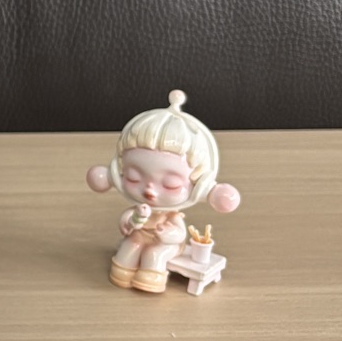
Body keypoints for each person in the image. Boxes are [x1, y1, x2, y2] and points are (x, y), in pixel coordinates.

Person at [85, 91, 241, 293]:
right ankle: (122, 273)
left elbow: (179, 233)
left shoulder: (172, 215)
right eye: (133, 177)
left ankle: (151, 278)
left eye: (170, 184)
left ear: (198, 185)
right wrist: (133, 220)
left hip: (166, 244)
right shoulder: (139, 207)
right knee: (129, 246)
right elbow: (127, 224)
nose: (149, 190)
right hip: (139, 235)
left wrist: (168, 234)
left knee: (154, 254)